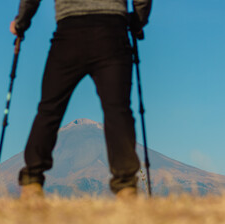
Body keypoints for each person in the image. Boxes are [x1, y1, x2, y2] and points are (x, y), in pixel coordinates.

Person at [10, 0, 152, 199]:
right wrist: (137, 23)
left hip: (69, 32)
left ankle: (32, 181)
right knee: (117, 110)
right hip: (112, 32)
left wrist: (21, 22)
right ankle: (126, 185)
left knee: (49, 108)